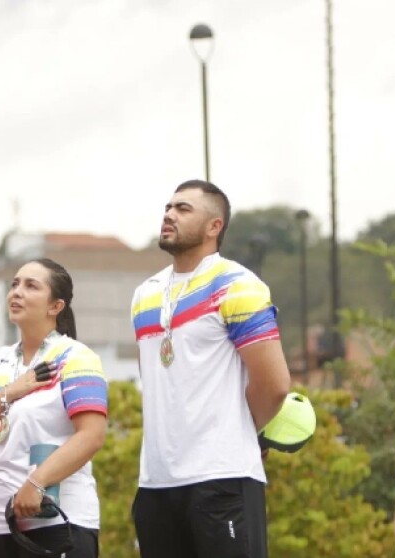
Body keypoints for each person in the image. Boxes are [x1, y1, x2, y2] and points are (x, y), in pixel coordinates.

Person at [130, 179, 291, 558]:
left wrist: (239, 430)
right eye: (168, 207)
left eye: (183, 209)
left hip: (222, 476)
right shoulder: (144, 294)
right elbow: (155, 381)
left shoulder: (238, 284)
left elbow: (275, 383)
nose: (169, 214)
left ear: (214, 226)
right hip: (156, 482)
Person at [0, 258, 108, 558]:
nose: (17, 292)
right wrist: (12, 391)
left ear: (55, 306)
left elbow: (91, 436)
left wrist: (36, 483)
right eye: (15, 285)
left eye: (31, 286)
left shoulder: (76, 358)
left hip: (59, 520)